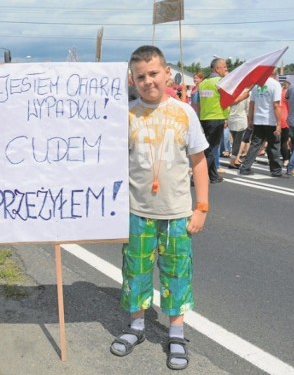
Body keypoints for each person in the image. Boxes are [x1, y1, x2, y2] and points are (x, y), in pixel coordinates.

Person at [109, 45, 209, 371]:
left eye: (154, 73)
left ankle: (176, 333)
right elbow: (114, 162)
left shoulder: (185, 113)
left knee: (177, 273)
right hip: (137, 211)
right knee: (135, 272)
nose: (148, 81)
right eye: (141, 76)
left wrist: (201, 208)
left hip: (178, 213)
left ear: (167, 73)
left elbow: (198, 162)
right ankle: (136, 326)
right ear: (132, 80)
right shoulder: (126, 115)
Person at [239, 69, 286, 177]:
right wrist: (278, 123)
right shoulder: (275, 85)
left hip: (258, 119)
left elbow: (251, 104)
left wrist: (250, 120)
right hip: (270, 120)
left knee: (255, 145)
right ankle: (276, 170)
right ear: (275, 74)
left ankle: (245, 168)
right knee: (274, 145)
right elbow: (276, 105)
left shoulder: (257, 85)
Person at [197, 58, 229, 183]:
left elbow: (199, 103)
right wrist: (243, 96)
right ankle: (197, 176)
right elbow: (227, 101)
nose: (226, 69)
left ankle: (214, 176)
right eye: (224, 67)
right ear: (217, 69)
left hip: (205, 118)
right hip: (216, 117)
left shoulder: (203, 83)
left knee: (208, 148)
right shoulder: (221, 82)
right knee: (211, 149)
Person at [227, 90, 250, 169]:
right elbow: (248, 109)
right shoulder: (246, 93)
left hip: (231, 118)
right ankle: (232, 161)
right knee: (238, 142)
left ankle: (235, 159)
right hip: (241, 119)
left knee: (235, 141)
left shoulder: (231, 91)